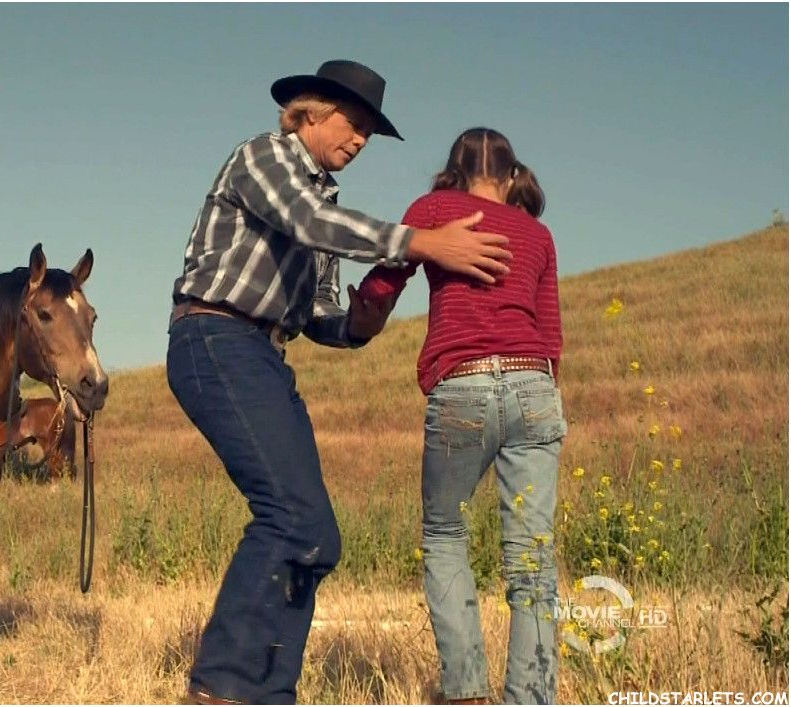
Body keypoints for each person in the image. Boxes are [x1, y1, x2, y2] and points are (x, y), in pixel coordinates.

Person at [165, 60, 515, 705]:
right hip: (214, 336)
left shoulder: (326, 205)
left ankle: (272, 692)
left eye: (367, 135)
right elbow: (307, 222)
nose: (358, 141)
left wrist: (360, 324)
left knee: (316, 532)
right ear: (311, 112)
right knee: (287, 515)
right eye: (352, 125)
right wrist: (421, 242)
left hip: (263, 352)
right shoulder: (264, 157)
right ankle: (221, 685)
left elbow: (318, 314)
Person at [360, 127, 564, 704]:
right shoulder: (538, 234)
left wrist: (360, 317)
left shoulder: (434, 209)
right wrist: (547, 401)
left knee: (446, 534)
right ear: (511, 175)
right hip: (534, 384)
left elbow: (384, 281)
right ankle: (532, 697)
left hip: (464, 384)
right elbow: (551, 331)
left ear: (453, 170)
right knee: (532, 557)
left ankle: (467, 692)